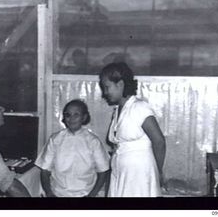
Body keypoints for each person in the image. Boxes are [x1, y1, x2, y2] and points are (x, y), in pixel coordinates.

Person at [99, 62, 166, 197]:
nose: (104, 93)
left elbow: (159, 141)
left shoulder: (140, 108)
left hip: (139, 174)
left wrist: (157, 171)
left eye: (107, 87)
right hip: (121, 172)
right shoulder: (118, 110)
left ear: (121, 84)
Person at [35, 99, 110, 197]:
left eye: (76, 115)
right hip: (58, 194)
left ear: (84, 117)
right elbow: (45, 170)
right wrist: (49, 193)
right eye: (68, 115)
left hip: (86, 194)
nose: (71, 119)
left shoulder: (93, 141)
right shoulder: (55, 139)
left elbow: (103, 171)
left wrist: (91, 195)